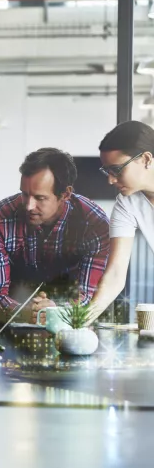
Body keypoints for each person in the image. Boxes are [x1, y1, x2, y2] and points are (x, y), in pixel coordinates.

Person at [0, 148, 110, 324]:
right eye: (25, 194)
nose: (28, 206)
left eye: (40, 198)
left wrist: (56, 311)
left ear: (65, 194)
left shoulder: (94, 223)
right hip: (16, 318)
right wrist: (27, 313)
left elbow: (88, 295)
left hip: (74, 321)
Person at [87, 121, 154, 323]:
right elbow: (115, 275)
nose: (110, 180)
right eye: (107, 171)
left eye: (116, 169)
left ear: (146, 159)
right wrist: (80, 324)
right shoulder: (127, 203)